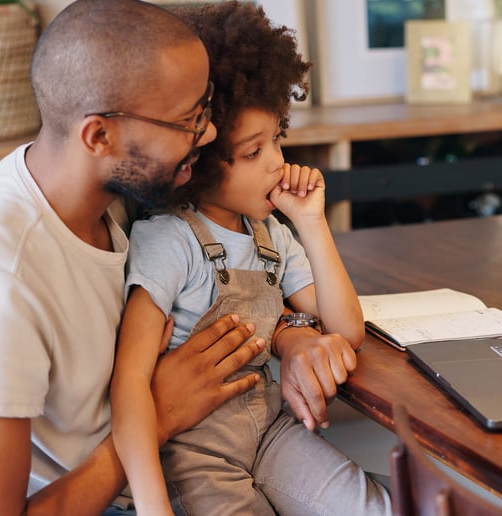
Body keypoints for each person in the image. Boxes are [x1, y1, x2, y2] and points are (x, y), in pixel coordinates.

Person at [0, 1, 280, 513]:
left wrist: (295, 331)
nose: (209, 133)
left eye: (205, 106)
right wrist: (159, 414)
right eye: (188, 120)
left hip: (185, 458)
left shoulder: (114, 196)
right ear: (99, 136)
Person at [111, 2, 391, 514]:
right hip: (193, 454)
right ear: (196, 161)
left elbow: (346, 328)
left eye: (277, 139)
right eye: (253, 152)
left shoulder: (272, 234)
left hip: (269, 433)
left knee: (377, 505)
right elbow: (129, 380)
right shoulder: (169, 241)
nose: (278, 164)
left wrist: (312, 222)